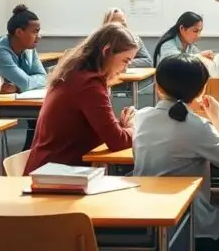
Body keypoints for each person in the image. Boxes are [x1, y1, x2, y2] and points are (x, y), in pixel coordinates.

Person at [131, 53, 219, 251]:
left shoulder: (140, 118)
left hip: (145, 217)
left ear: (158, 88)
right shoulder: (197, 126)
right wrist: (217, 121)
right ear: (201, 91)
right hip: (189, 224)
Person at [23, 24, 137, 174]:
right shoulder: (89, 84)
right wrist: (133, 129)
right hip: (55, 176)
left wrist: (121, 126)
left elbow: (100, 128)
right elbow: (117, 141)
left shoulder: (77, 73)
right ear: (106, 51)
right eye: (125, 61)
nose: (126, 69)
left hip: (52, 168)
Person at [0, 4, 45, 149]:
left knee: (43, 119)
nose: (39, 36)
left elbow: (43, 77)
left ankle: (30, 156)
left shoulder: (29, 49)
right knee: (39, 121)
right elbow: (27, 83)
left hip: (19, 98)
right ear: (19, 32)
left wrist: (18, 87)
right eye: (35, 32)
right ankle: (29, 158)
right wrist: (25, 84)